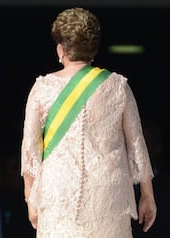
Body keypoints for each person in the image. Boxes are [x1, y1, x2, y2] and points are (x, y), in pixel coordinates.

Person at [20, 7, 156, 238]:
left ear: (60, 48)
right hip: (108, 196)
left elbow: (30, 150)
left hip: (59, 195)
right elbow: (136, 143)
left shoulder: (42, 88)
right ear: (94, 47)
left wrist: (30, 199)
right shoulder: (118, 85)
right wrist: (147, 194)